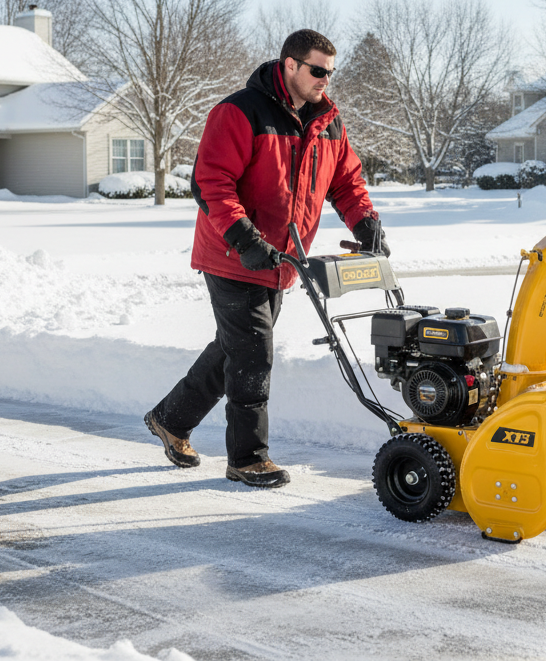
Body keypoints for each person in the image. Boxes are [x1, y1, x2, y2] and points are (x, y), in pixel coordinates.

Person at [144, 29, 389, 488]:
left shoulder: (328, 122)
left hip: (280, 260)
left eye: (330, 72)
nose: (325, 80)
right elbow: (211, 183)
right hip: (232, 253)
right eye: (317, 70)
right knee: (253, 354)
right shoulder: (241, 111)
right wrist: (245, 238)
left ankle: (171, 419)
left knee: (234, 348)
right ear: (290, 64)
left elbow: (346, 182)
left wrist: (365, 222)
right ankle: (247, 458)